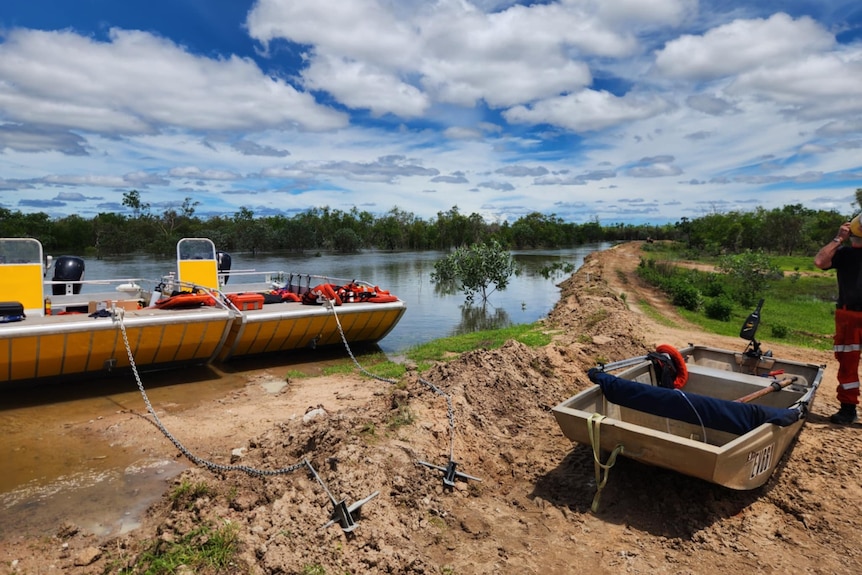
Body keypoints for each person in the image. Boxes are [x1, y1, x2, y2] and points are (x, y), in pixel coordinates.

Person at [814, 215, 862, 424]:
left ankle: (848, 410)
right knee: (847, 364)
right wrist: (838, 241)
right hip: (848, 315)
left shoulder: (844, 251)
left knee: (847, 364)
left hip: (848, 316)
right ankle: (848, 409)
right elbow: (820, 261)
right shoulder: (845, 254)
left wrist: (838, 238)